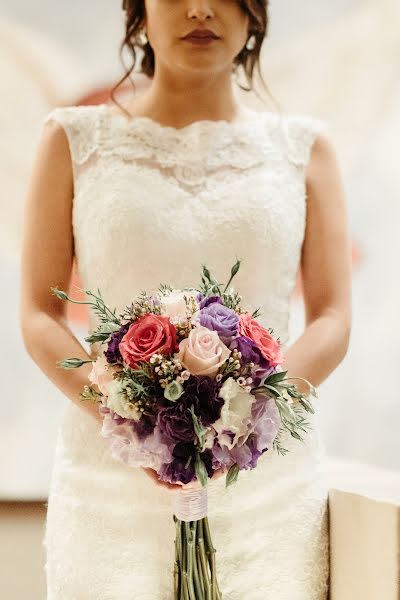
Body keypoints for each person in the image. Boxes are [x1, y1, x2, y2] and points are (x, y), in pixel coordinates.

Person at [19, 0, 352, 598]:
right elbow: (39, 314)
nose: (200, 8)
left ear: (255, 13)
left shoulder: (306, 149)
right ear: (138, 11)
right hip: (109, 472)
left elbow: (331, 318)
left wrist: (246, 420)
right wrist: (132, 421)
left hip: (267, 477)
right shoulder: (72, 139)